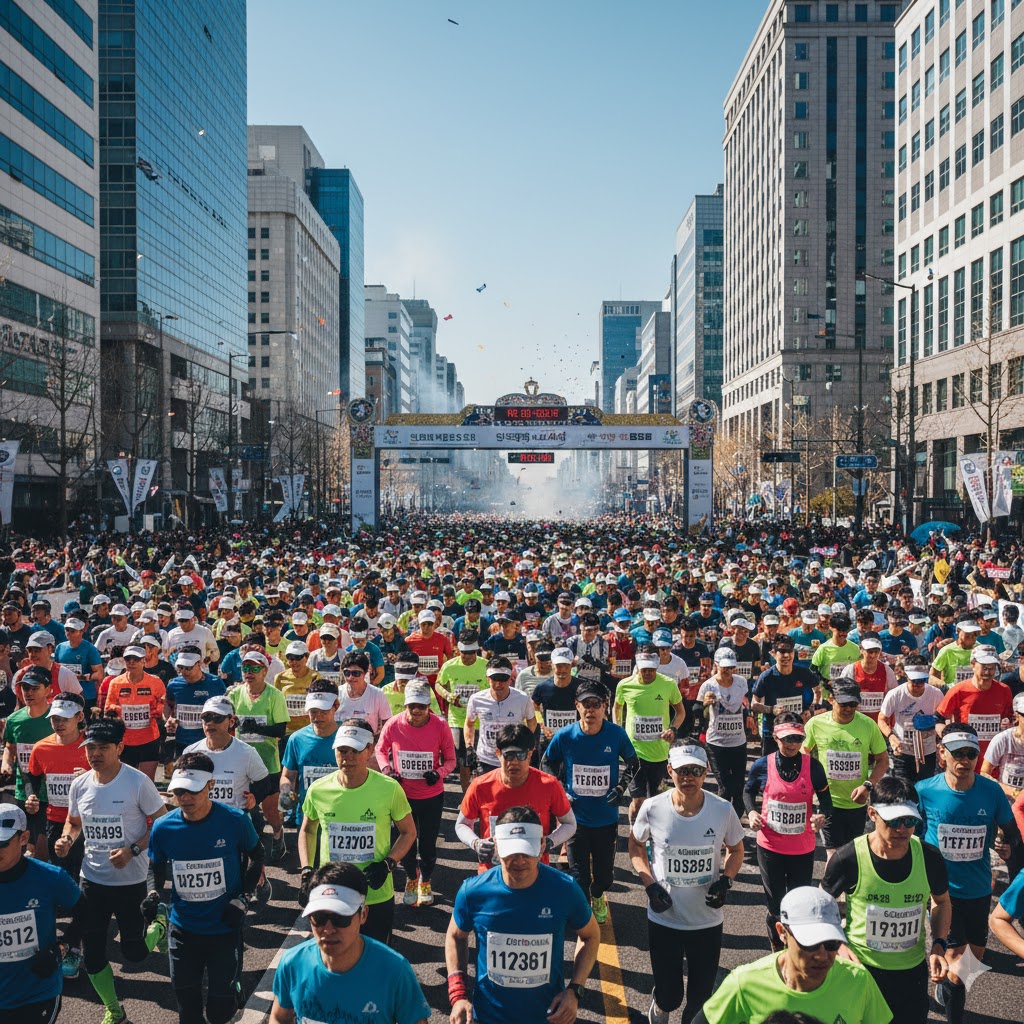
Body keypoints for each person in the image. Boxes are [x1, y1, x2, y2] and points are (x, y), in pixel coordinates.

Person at [445, 805, 600, 1024]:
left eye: (527, 851)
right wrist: (458, 995)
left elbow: (591, 935)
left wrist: (575, 991)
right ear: (496, 845)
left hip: (548, 1017)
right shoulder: (473, 891)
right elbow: (454, 936)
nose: (519, 861)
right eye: (511, 852)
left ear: (542, 845)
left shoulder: (565, 889)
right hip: (488, 1017)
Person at [58, 718, 168, 1024]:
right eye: (90, 747)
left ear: (119, 748)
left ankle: (159, 923)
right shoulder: (79, 784)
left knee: (134, 953)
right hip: (91, 881)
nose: (94, 753)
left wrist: (132, 850)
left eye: (102, 748)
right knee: (92, 954)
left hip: (131, 881)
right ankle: (114, 1009)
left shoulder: (137, 782)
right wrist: (67, 839)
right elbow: (75, 822)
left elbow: (162, 822)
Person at [628, 741, 744, 1024]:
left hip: (706, 921)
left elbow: (737, 849)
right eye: (682, 770)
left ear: (706, 773)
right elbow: (635, 846)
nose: (688, 777)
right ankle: (661, 1003)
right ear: (670, 770)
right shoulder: (653, 807)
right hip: (665, 919)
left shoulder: (721, 809)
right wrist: (649, 884)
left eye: (695, 770)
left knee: (699, 1000)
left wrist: (726, 881)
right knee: (670, 996)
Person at [147, 751, 266, 1024]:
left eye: (192, 791)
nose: (185, 798)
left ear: (210, 786)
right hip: (182, 932)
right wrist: (153, 895)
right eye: (178, 792)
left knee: (219, 1012)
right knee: (188, 1012)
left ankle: (232, 994)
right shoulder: (164, 827)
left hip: (224, 929)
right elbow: (155, 867)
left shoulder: (235, 820)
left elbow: (257, 855)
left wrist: (243, 899)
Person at [821, 776, 951, 1024]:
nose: (902, 828)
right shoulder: (848, 858)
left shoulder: (930, 857)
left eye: (910, 820)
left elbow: (942, 902)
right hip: (861, 969)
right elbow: (820, 907)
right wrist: (837, 945)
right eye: (893, 821)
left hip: (911, 973)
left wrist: (939, 944)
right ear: (872, 814)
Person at [916, 723, 1019, 1022]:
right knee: (956, 962)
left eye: (971, 754)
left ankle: (949, 988)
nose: (964, 760)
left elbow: (1011, 832)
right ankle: (954, 1012)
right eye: (957, 753)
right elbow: (911, 835)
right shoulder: (925, 791)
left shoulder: (991, 791)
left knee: (975, 956)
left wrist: (1005, 844)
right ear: (941, 753)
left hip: (978, 887)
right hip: (941, 891)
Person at [694, 887, 893, 1024]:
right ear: (782, 933)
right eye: (811, 943)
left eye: (832, 942)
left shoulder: (858, 980)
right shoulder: (743, 984)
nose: (823, 955)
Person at [299, 718, 416, 945]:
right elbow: (307, 830)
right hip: (331, 892)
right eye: (342, 750)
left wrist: (388, 864)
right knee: (332, 956)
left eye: (356, 750)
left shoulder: (389, 789)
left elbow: (408, 832)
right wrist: (306, 872)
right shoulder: (318, 789)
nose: (348, 757)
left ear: (370, 750)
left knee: (375, 958)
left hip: (375, 892)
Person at [270, 862, 430, 1024]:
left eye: (341, 918)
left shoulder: (395, 970)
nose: (328, 929)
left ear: (363, 914)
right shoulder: (292, 963)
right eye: (319, 918)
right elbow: (279, 1017)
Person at [541, 681, 638, 923]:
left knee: (605, 878)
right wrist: (561, 791)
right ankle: (584, 915)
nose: (591, 710)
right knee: (578, 875)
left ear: (605, 707)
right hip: (575, 818)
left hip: (606, 818)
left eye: (596, 705)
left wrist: (620, 787)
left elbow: (634, 764)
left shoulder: (616, 734)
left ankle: (597, 895)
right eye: (586, 705)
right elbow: (547, 764)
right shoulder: (566, 735)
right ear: (577, 706)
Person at [744, 712, 832, 950]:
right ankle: (776, 947)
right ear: (775, 737)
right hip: (770, 846)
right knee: (775, 905)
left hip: (802, 848)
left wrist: (822, 815)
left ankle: (793, 947)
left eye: (797, 738)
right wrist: (751, 812)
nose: (792, 744)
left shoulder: (813, 767)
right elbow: (748, 792)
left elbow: (826, 800)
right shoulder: (762, 765)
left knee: (797, 904)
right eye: (786, 739)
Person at [24, 692, 90, 976]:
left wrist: (85, 780)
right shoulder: (42, 747)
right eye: (54, 719)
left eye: (64, 719)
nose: (58, 724)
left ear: (79, 718)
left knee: (84, 886)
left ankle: (73, 946)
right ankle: (59, 943)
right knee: (62, 884)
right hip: (55, 823)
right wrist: (31, 797)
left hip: (89, 827)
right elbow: (32, 776)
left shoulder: (92, 748)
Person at [0, 802, 83, 1024]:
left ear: (24, 838)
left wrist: (62, 947)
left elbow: (88, 912)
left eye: (2, 843)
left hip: (36, 995)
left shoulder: (51, 878)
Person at [375, 681, 456, 906]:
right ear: (406, 705)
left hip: (431, 795)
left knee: (427, 844)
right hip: (402, 795)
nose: (416, 711)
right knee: (404, 843)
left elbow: (451, 760)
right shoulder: (393, 724)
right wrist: (387, 770)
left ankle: (426, 880)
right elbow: (380, 750)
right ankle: (412, 878)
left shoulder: (440, 725)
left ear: (429, 705)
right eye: (412, 706)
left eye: (421, 706)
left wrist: (438, 773)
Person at [457, 724, 576, 872]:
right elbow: (462, 824)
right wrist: (476, 843)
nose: (514, 762)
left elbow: (570, 824)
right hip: (493, 872)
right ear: (498, 753)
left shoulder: (549, 784)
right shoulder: (480, 785)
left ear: (530, 754)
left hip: (536, 873)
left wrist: (550, 842)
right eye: (508, 755)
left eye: (521, 755)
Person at [802, 679, 889, 860]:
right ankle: (830, 889)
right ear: (832, 699)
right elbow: (803, 753)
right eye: (844, 704)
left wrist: (868, 785)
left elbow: (882, 760)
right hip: (827, 801)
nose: (849, 708)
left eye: (853, 704)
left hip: (856, 802)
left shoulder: (868, 725)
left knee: (854, 854)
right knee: (833, 855)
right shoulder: (816, 724)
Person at [613, 645, 686, 825]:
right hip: (634, 752)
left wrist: (672, 730)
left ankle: (653, 835)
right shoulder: (625, 685)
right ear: (637, 666)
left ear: (657, 666)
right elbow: (616, 708)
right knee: (638, 802)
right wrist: (617, 731)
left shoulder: (668, 684)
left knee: (656, 801)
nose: (647, 673)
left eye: (651, 670)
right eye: (643, 669)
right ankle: (634, 834)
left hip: (659, 752)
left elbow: (681, 712)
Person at [2, 665, 55, 858]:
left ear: (48, 690)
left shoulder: (56, 720)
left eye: (34, 688)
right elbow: (10, 747)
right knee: (23, 846)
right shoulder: (15, 719)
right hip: (23, 789)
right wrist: (6, 763)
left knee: (44, 847)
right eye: (25, 688)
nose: (29, 693)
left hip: (50, 792)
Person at [697, 647, 750, 821]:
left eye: (731, 668)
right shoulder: (708, 685)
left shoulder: (741, 682)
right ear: (716, 666)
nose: (728, 672)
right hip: (716, 743)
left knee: (738, 785)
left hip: (738, 742)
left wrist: (749, 716)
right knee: (725, 787)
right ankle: (721, 821)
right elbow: (697, 713)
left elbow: (745, 703)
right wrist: (705, 703)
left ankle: (735, 819)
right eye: (724, 668)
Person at [279, 680, 341, 826]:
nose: (318, 716)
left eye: (324, 711)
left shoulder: (347, 738)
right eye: (313, 711)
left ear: (336, 706)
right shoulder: (297, 739)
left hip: (341, 816)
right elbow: (288, 775)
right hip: (307, 818)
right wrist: (286, 795)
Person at [936, 643, 1014, 758]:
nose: (988, 672)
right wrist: (950, 740)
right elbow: (938, 718)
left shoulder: (1004, 690)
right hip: (966, 757)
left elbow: (1010, 719)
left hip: (994, 758)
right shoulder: (959, 690)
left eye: (992, 668)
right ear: (973, 665)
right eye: (984, 667)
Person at [101, 643, 166, 779]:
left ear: (143, 660)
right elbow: (108, 708)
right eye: (128, 659)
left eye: (135, 659)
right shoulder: (116, 682)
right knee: (125, 782)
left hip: (149, 739)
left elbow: (164, 704)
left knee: (147, 782)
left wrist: (157, 712)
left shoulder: (155, 682)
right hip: (124, 740)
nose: (131, 662)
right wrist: (118, 710)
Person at [464, 657, 538, 773]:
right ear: (487, 679)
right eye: (494, 679)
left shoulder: (522, 698)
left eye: (503, 679)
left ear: (510, 679)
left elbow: (532, 721)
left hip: (513, 759)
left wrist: (525, 743)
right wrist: (469, 747)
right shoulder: (476, 699)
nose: (498, 684)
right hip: (486, 759)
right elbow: (469, 724)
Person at [877, 658, 943, 783]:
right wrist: (891, 737)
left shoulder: (936, 694)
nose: (918, 685)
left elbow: (943, 719)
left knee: (925, 788)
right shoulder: (895, 694)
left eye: (921, 681)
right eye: (914, 681)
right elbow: (881, 719)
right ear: (906, 676)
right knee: (904, 789)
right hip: (903, 750)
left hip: (927, 752)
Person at [750, 635, 816, 755]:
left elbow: (817, 692)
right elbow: (754, 704)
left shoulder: (803, 673)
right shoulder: (767, 677)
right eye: (782, 651)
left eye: (789, 651)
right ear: (773, 653)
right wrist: (770, 709)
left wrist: (809, 711)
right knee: (772, 769)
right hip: (773, 732)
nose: (786, 656)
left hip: (797, 731)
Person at [163, 647, 227, 762]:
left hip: (209, 742)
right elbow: (168, 704)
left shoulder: (215, 683)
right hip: (183, 743)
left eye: (188, 668)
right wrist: (169, 719)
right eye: (180, 668)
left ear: (199, 664)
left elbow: (226, 709)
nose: (184, 672)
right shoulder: (174, 684)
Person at [836, 636, 897, 721]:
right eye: (870, 652)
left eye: (876, 652)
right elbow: (842, 696)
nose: (873, 655)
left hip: (878, 723)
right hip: (855, 721)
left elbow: (893, 697)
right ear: (861, 650)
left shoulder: (887, 671)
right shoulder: (850, 670)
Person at [336, 651, 392, 736]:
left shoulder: (377, 694)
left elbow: (387, 723)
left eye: (356, 673)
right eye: (347, 673)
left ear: (365, 673)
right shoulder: (336, 693)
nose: (351, 677)